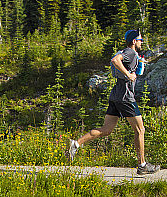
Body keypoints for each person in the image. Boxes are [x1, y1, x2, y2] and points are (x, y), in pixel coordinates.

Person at [67, 29, 160, 176]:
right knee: (140, 130)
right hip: (125, 97)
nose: (142, 42)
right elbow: (115, 60)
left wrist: (133, 70)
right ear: (134, 41)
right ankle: (142, 164)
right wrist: (128, 74)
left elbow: (119, 60)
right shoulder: (130, 52)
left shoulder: (128, 53)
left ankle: (76, 143)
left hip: (115, 95)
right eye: (140, 39)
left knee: (106, 129)